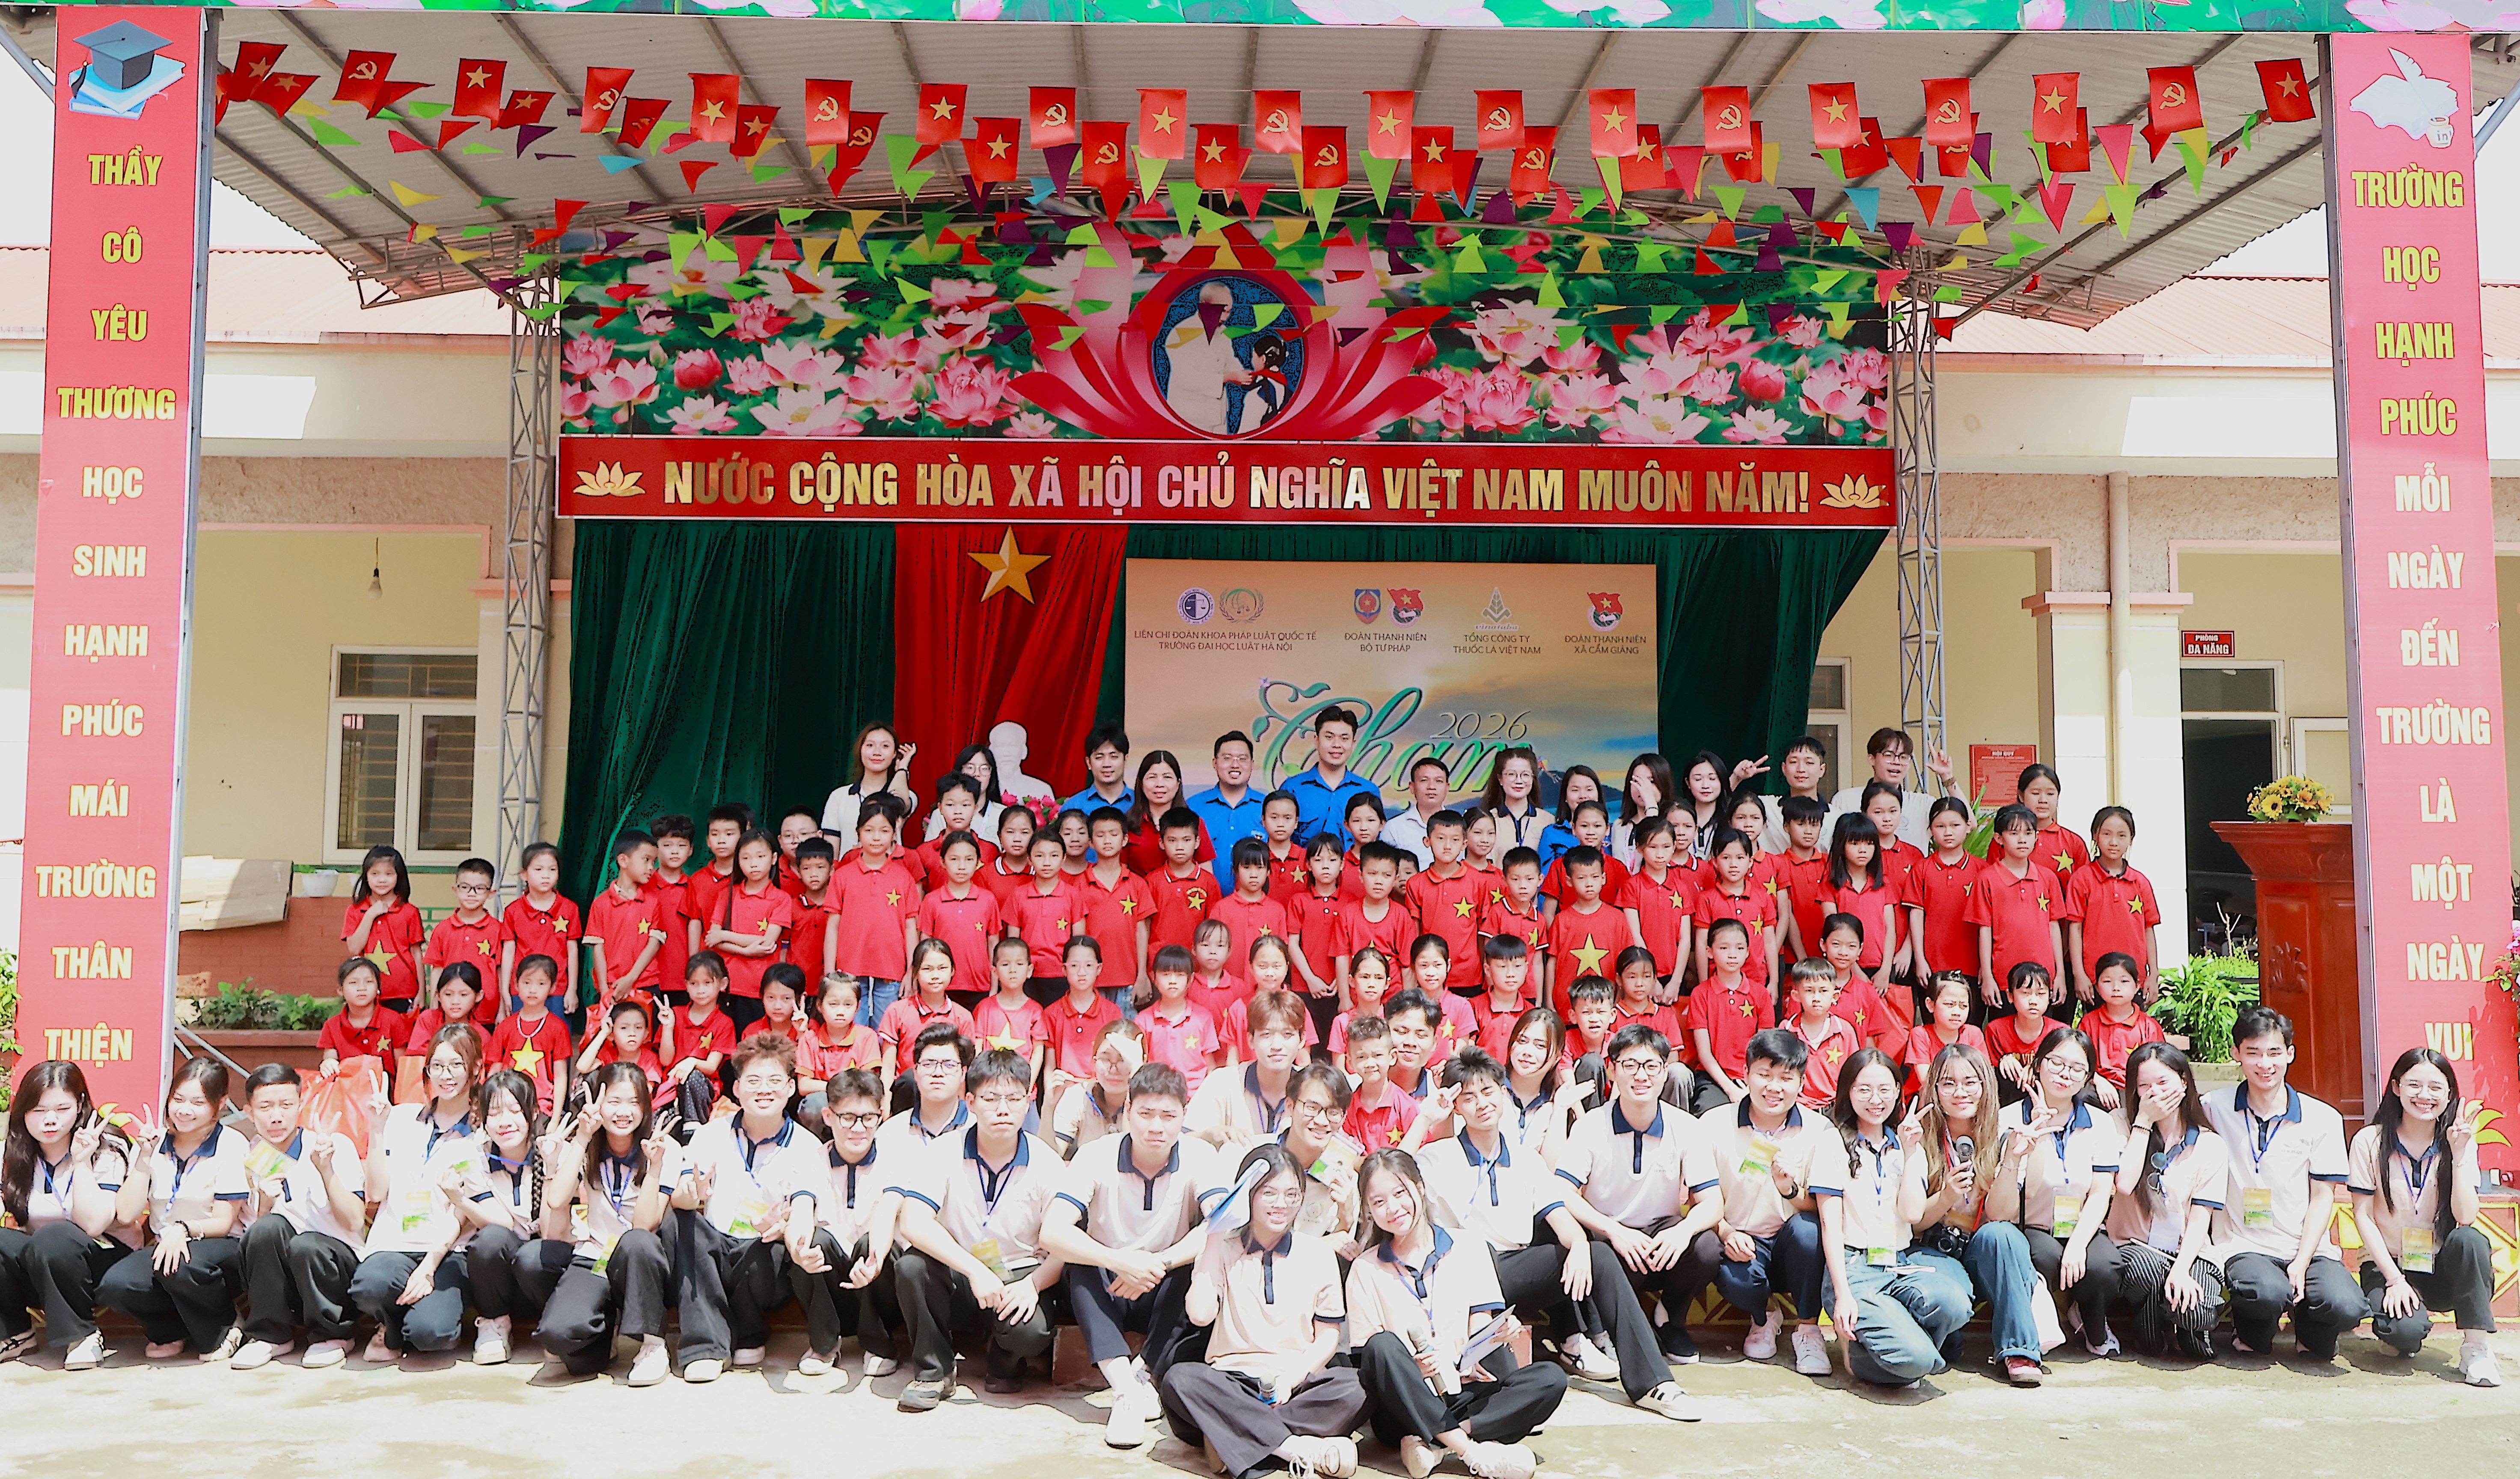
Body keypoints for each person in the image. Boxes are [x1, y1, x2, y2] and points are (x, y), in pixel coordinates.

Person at [1418, 1048, 1697, 1419]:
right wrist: (1425, 1120)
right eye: (1468, 1098)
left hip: (1513, 1268)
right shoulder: (1438, 1157)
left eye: (1488, 1091)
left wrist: (1580, 1244)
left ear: (1503, 1093)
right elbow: (1385, 1176)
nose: (1481, 1104)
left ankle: (1653, 1383)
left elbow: (1559, 1216)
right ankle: (1518, 1387)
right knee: (1502, 1391)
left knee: (1598, 1255)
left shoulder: (1526, 1160)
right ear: (1456, 1106)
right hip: (1465, 1278)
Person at [1039, 1061, 1227, 1448]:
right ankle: (1124, 1389)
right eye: (1145, 1113)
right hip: (1109, 1284)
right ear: (1127, 1111)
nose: (1156, 1127)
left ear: (1184, 1116)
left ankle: (1143, 1373)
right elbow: (1053, 1231)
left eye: (1168, 1116)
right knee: (1080, 1264)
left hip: (1163, 1281)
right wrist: (1119, 1261)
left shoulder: (1201, 1154)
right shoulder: (1095, 1155)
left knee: (1195, 1267)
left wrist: (1160, 1261)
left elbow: (1222, 1225)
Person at [1347, 1149, 1568, 1479]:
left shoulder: (1468, 1246)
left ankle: (1437, 1442)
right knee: (1382, 1345)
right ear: (1369, 1209)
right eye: (1379, 1202)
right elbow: (1372, 1362)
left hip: (1463, 1390)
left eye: (1400, 1193)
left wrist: (1498, 1334)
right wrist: (1414, 1369)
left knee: (1550, 1378)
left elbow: (1480, 1324)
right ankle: (1472, 1452)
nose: (1393, 1208)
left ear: (1420, 1187)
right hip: (1404, 1404)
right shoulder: (1365, 1269)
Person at [1158, 1143, 1370, 1479]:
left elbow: (1328, 1336)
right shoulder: (1223, 1249)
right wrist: (1214, 1234)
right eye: (1269, 1192)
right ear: (1248, 1194)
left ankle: (1234, 1435)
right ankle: (1297, 1449)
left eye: (1292, 1194)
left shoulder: (1318, 1254)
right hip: (1232, 1382)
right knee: (1180, 1380)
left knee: (1357, 1387)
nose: (1281, 1204)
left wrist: (1291, 1378)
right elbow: (1200, 1315)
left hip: (1296, 1382)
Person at [892, 1049, 1065, 1408]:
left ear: (1029, 1100)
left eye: (1014, 1098)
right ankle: (934, 1371)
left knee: (1032, 1331)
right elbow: (913, 1221)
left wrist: (1033, 1285)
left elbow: (1066, 1243)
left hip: (1018, 1274)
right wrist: (974, 1270)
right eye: (990, 1098)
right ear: (970, 1101)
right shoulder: (944, 1151)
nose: (1003, 1109)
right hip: (959, 1273)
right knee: (911, 1267)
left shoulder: (1047, 1162)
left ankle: (1003, 1361)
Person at [2205, 1005, 2368, 1362]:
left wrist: (2302, 1260)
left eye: (2275, 1053)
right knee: (2266, 1295)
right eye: (2253, 1053)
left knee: (2346, 1305)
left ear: (2290, 1054)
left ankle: (2309, 1328)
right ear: (2236, 1054)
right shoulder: (2213, 1107)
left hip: (2307, 1246)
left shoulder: (2322, 1117)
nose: (2265, 1064)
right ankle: (2252, 1331)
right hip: (2245, 1243)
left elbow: (2323, 1197)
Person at [1555, 1025, 1720, 1365]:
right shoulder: (1591, 1126)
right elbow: (1562, 1191)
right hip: (1610, 1242)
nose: (1641, 1075)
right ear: (1612, 1070)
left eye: (1651, 1066)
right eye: (1629, 1065)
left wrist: (1683, 1231)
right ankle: (1606, 1330)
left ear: (1665, 1072)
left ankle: (1670, 1317)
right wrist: (1613, 1231)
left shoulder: (1686, 1127)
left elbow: (1714, 1202)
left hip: (1661, 1243)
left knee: (1706, 1246)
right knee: (1589, 1251)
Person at [1677, 1029, 1837, 1376]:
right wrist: (1724, 1230)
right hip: (1741, 1241)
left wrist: (1791, 1190)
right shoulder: (1713, 1124)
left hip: (1791, 1243)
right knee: (1733, 1276)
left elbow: (1827, 1209)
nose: (1774, 1087)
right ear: (1746, 1074)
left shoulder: (1820, 1130)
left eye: (1786, 1078)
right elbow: (1697, 1195)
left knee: (1809, 1232)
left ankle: (1808, 1330)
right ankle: (1764, 1315)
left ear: (1802, 1082)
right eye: (1764, 1074)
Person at [1813, 1048, 1973, 1387]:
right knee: (1918, 1360)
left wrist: (1911, 1152)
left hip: (1897, 1263)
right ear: (1848, 1091)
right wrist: (1843, 1295)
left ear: (1899, 1091)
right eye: (1864, 1089)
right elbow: (1830, 1225)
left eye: (1885, 1089)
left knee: (1956, 1303)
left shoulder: (1906, 1144)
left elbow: (1913, 1214)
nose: (1876, 1100)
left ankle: (1906, 1352)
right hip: (1856, 1267)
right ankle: (1867, 1357)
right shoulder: (1832, 1141)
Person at [671, 1033, 820, 1383]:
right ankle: (706, 1347)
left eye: (774, 1081)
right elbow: (681, 1196)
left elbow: (806, 1210)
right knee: (679, 1223)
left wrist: (782, 1230)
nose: (763, 1089)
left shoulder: (807, 1146)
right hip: (717, 1250)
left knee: (769, 1248)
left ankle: (751, 1333)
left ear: (790, 1088)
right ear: (737, 1088)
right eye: (753, 1081)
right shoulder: (711, 1134)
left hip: (765, 1255)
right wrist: (694, 1193)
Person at [2351, 1048, 2500, 1385]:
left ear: (2449, 1095)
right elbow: (2363, 1216)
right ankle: (2403, 1332)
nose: (2424, 1096)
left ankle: (2476, 1349)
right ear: (2396, 1087)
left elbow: (2466, 1216)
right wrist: (2394, 1279)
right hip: (2389, 1264)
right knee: (2403, 1334)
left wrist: (2459, 1155)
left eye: (2436, 1088)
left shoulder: (2459, 1141)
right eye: (2414, 1085)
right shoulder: (2370, 1141)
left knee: (2471, 1240)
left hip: (2439, 1264)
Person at [349, 1025, 487, 1361]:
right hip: (394, 1243)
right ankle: (392, 1327)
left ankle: (413, 1325)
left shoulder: (482, 1133)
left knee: (431, 1333)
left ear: (476, 1067)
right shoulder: (399, 1117)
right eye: (436, 1066)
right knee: (368, 1286)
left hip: (449, 1250)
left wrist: (428, 1267)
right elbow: (376, 1192)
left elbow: (467, 1212)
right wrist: (377, 1130)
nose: (445, 1075)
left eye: (456, 1065)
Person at [1911, 1042, 2046, 1385]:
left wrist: (2012, 1160)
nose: (1961, 1092)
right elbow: (1913, 1222)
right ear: (1935, 1089)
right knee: (1950, 1340)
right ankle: (1943, 1335)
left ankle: (2020, 1351)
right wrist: (1946, 1196)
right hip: (1933, 1247)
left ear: (1986, 1086)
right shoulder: (1919, 1137)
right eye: (1949, 1083)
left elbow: (2001, 1215)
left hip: (1982, 1250)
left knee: (2003, 1235)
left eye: (1970, 1082)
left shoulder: (2003, 1136)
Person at [98, 1057, 248, 1363]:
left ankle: (226, 1325)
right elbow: (125, 1214)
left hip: (220, 1245)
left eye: (198, 1103)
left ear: (220, 1104)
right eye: (178, 1100)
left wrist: (183, 1229)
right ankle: (171, 1329)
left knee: (179, 1265)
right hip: (166, 1246)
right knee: (116, 1285)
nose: (184, 1110)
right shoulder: (155, 1143)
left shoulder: (231, 1143)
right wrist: (144, 1157)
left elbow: (224, 1221)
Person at [1991, 1027, 2125, 1356]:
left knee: (2105, 1265)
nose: (2065, 1073)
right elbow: (2018, 1194)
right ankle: (2038, 1325)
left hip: (2080, 1224)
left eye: (2077, 1068)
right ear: (2038, 1064)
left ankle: (2089, 1316)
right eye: (2056, 1062)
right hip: (2031, 1225)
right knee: (2046, 1258)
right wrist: (2035, 1134)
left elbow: (2101, 1192)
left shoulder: (2100, 1122)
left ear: (2088, 1078)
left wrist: (2078, 1244)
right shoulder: (2008, 1119)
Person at [228, 1063, 367, 1370]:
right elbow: (254, 1241)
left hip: (335, 1271)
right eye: (266, 1107)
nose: (276, 1116)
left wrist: (326, 1170)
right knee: (266, 1229)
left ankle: (332, 1335)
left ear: (301, 1105)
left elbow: (355, 1221)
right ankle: (270, 1334)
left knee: (306, 1245)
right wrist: (265, 1203)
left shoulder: (332, 1146)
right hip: (288, 1280)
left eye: (286, 1105)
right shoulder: (251, 1158)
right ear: (249, 1112)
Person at [0, 1061, 138, 1368]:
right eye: (38, 1110)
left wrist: (81, 1162)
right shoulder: (14, 1154)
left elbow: (94, 1224)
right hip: (45, 1262)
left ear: (80, 1106)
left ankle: (83, 1335)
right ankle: (15, 1333)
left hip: (104, 1259)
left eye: (62, 1109)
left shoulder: (106, 1148)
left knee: (55, 1236)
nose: (50, 1120)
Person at [2102, 1042, 2230, 1359]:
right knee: (2148, 1271)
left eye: (2163, 1082)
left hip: (2186, 1252)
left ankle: (2174, 1327)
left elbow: (2201, 1217)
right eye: (2144, 1086)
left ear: (2184, 1082)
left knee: (2196, 1310)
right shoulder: (2119, 1123)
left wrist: (2182, 1269)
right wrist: (2144, 1122)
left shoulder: (2210, 1144)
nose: (2155, 1093)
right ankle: (2152, 1330)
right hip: (2133, 1247)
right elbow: (2124, 1184)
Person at [786, 1068, 905, 1382]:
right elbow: (800, 1211)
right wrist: (799, 1250)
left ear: (881, 1115)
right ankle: (824, 1345)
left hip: (878, 1283)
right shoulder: (811, 1160)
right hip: (832, 1283)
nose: (858, 1128)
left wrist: (875, 1259)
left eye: (869, 1118)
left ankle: (879, 1345)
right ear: (828, 1116)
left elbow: (887, 1213)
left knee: (872, 1244)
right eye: (848, 1118)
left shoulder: (895, 1159)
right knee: (813, 1241)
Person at [462, 1069, 563, 1366]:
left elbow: (553, 1233)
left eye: (515, 1111)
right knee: (488, 1241)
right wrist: (459, 1199)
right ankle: (495, 1324)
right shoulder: (477, 1158)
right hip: (505, 1279)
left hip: (548, 1273)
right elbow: (499, 1223)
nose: (504, 1122)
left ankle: (558, 1323)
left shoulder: (558, 1152)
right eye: (494, 1114)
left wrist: (551, 1168)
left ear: (534, 1113)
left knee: (534, 1256)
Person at [1967, 805, 2065, 1015]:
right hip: (2004, 980)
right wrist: (1988, 976)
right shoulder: (1987, 879)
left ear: (2036, 837)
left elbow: (2054, 927)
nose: (2022, 840)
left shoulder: (2048, 878)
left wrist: (2060, 975)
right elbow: (1984, 930)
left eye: (2028, 833)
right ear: (1999, 838)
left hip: (2043, 980)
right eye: (2014, 833)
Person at [832, 801, 923, 1028]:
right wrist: (829, 972)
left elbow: (911, 926)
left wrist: (911, 971)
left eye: (884, 831)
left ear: (894, 834)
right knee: (852, 1029)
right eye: (869, 830)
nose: (876, 837)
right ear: (858, 833)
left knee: (887, 1030)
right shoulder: (843, 876)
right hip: (850, 968)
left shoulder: (904, 877)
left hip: (892, 968)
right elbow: (833, 926)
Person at [2064, 806, 2163, 1004]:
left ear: (2131, 839)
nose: (2114, 842)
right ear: (2095, 836)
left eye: (2122, 835)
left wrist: (2153, 974)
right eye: (2107, 834)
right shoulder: (2082, 879)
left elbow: (2148, 929)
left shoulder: (2140, 882)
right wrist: (2079, 974)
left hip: (2133, 979)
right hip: (2096, 980)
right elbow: (2075, 928)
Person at [703, 827, 792, 1035]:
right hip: (727, 983)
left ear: (774, 859)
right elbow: (712, 939)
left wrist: (725, 935)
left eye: (761, 856)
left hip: (760, 987)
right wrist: (746, 950)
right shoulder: (727, 894)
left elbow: (767, 942)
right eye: (746, 858)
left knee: (754, 1043)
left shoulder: (781, 899)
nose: (753, 864)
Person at [1685, 918, 1776, 1115]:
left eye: (1739, 948)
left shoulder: (1760, 994)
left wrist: (1751, 1083)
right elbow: (1704, 1053)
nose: (1732, 954)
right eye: (1724, 948)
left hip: (1754, 1076)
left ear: (1748, 952)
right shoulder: (1701, 994)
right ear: (1710, 952)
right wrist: (1730, 1089)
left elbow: (1763, 1049)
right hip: (1713, 1078)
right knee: (1710, 1114)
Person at [585, 829, 665, 1025]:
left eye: (654, 862)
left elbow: (654, 945)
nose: (651, 867)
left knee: (646, 1038)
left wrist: (631, 979)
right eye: (646, 860)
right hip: (611, 988)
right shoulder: (601, 904)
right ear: (623, 860)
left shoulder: (653, 902)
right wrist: (605, 991)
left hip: (646, 986)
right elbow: (598, 949)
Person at [1826, 728, 1952, 850]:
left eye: (1903, 757)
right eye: (1889, 755)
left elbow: (1963, 823)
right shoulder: (1845, 800)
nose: (1896, 762)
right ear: (1872, 759)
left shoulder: (1923, 803)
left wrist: (1948, 778)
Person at [1081, 810, 1156, 1008]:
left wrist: (1142, 975)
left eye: (1114, 834)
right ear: (1091, 842)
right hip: (1089, 979)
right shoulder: (1079, 885)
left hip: (1129, 979)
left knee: (1126, 1028)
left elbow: (1142, 932)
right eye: (1100, 835)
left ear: (1125, 840)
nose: (1107, 841)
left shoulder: (1138, 884)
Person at [342, 843, 428, 1013]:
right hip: (367, 990)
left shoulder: (410, 911)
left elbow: (416, 953)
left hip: (404, 991)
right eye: (375, 874)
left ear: (399, 876)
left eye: (389, 874)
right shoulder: (355, 911)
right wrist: (370, 915)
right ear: (366, 876)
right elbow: (354, 948)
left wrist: (422, 992)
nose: (382, 880)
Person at [1283, 706, 1382, 848]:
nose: (1337, 745)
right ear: (1316, 740)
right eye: (1329, 737)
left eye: (1344, 739)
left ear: (1353, 743)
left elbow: (1375, 847)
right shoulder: (1293, 788)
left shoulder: (1368, 790)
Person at [504, 842, 583, 1020]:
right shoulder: (513, 911)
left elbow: (572, 951)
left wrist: (572, 990)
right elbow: (508, 951)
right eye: (538, 869)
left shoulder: (570, 908)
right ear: (524, 874)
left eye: (552, 869)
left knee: (557, 1034)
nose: (546, 875)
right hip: (522, 989)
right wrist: (505, 992)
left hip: (558, 989)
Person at [486, 953, 573, 1113]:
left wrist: (555, 1119)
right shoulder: (505, 1026)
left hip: (541, 1107)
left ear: (553, 987)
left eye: (541, 984)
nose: (533, 990)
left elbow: (561, 1076)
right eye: (527, 983)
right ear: (516, 985)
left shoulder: (558, 1028)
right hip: (507, 1104)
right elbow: (494, 1070)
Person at [1186, 730, 1270, 893]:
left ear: (1252, 764)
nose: (1235, 765)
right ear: (1215, 763)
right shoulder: (1194, 806)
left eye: (1242, 759)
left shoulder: (1268, 806)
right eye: (1227, 758)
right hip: (1201, 900)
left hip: (1256, 902)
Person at [429, 857, 517, 1011]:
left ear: (491, 893)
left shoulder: (498, 929)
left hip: (488, 1010)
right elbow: (437, 969)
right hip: (451, 1009)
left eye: (480, 888)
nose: (472, 894)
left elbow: (501, 971)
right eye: (465, 887)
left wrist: (502, 1009)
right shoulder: (443, 929)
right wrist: (434, 1004)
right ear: (455, 890)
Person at [2079, 953, 2166, 1108]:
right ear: (2097, 987)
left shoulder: (2149, 1026)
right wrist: (2097, 1080)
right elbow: (2079, 1061)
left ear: (2137, 986)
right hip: (2099, 1088)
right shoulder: (2089, 1022)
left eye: (2124, 981)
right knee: (2080, 1095)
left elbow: (2160, 1064)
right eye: (2107, 981)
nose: (2116, 988)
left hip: (2138, 1089)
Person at [1053, 1017, 1147, 1158]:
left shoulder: (1153, 1102)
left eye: (1124, 1060)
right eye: (1106, 1059)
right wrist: (1048, 1107)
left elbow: (1132, 1157)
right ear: (1094, 1059)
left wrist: (1136, 1075)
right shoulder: (1078, 1096)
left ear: (1142, 1061)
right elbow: (1048, 1159)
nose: (1113, 1069)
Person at [821, 720, 919, 836]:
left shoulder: (909, 796)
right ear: (861, 750)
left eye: (885, 746)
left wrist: (902, 768)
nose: (877, 752)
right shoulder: (839, 796)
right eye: (870, 745)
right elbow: (831, 844)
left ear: (894, 753)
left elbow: (898, 803)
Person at [317, 956, 405, 1079]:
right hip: (347, 1089)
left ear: (378, 988)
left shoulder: (393, 1020)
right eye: (353, 983)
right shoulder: (332, 1026)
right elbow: (330, 1061)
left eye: (369, 982)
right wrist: (327, 1064)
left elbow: (403, 1069)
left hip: (386, 1089)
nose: (362, 988)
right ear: (341, 990)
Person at [2017, 764, 2090, 882]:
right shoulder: (2006, 838)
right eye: (2036, 793)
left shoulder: (2074, 842)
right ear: (2021, 796)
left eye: (2050, 794)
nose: (2043, 800)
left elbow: (2085, 885)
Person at [925, 744, 1009, 845]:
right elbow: (930, 850)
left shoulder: (1003, 814)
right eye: (970, 768)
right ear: (960, 771)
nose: (977, 774)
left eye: (984, 768)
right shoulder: (941, 814)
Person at [1382, 755, 1455, 868]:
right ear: (1412, 787)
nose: (1431, 787)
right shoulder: (1394, 828)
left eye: (1439, 781)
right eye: (1424, 780)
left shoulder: (1460, 826)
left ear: (1447, 787)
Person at [1479, 747, 1551, 856]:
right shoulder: (1487, 820)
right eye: (1511, 774)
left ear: (1533, 779)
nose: (1519, 781)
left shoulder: (1549, 821)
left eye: (1526, 775)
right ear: (1500, 779)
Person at [1066, 723, 1137, 814]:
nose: (1107, 764)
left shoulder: (1140, 803)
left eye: (1114, 757)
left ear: (1125, 760)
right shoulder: (1073, 806)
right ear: (1089, 763)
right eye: (1099, 757)